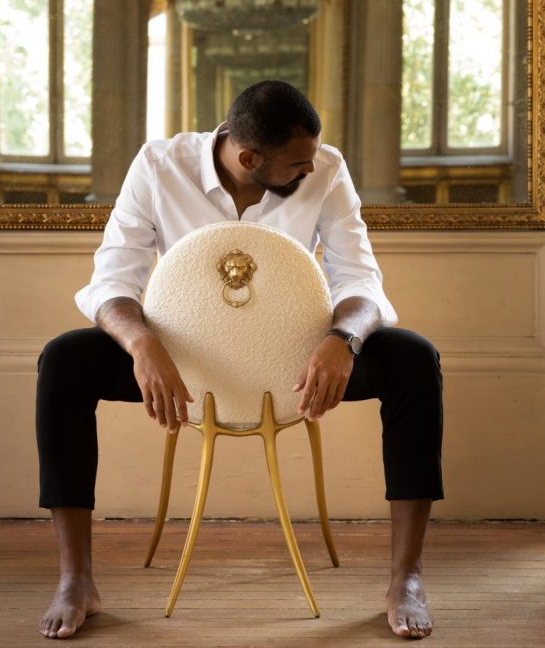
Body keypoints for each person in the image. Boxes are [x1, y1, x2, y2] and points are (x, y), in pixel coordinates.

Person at [36, 80, 443, 641]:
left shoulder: (324, 167)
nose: (311, 168)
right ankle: (75, 579)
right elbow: (111, 280)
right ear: (248, 157)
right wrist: (142, 345)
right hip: (184, 363)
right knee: (63, 360)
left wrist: (342, 340)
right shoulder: (159, 166)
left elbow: (359, 277)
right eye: (298, 163)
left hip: (299, 363)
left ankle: (407, 579)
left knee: (415, 360)